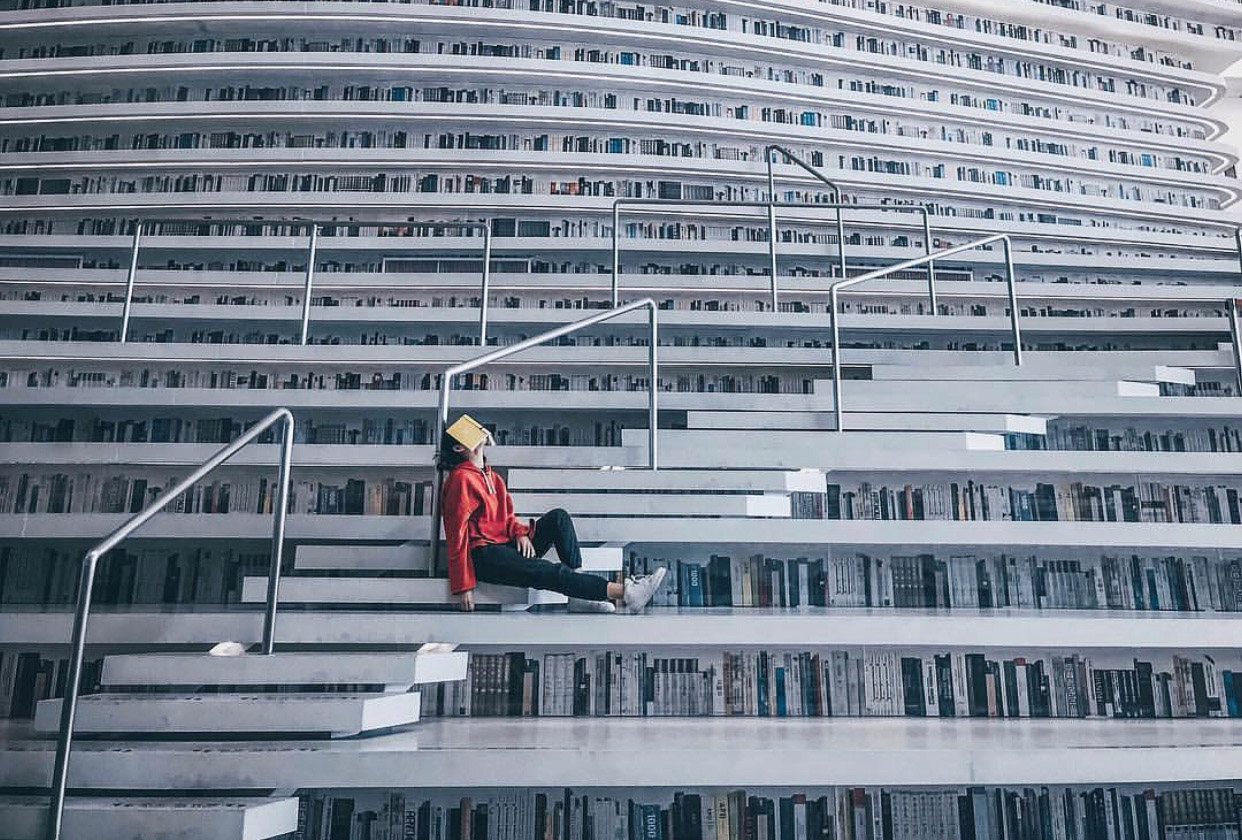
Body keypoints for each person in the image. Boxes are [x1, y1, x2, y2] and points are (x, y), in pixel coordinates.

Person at [438, 414, 667, 614]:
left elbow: (507, 518)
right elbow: (456, 534)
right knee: (547, 570)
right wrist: (463, 585)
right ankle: (625, 592)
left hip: (507, 544)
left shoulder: (494, 478)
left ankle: (579, 596)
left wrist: (520, 533)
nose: (480, 431)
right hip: (485, 555)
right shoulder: (461, 478)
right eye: (471, 431)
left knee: (559, 518)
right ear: (459, 447)